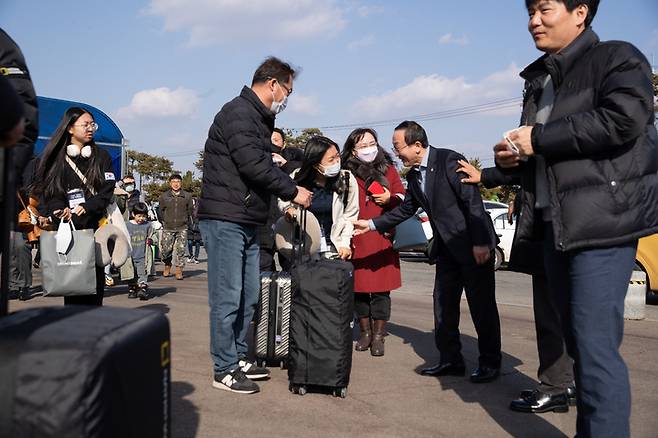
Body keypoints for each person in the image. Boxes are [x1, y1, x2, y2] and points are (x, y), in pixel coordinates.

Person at [493, 1, 658, 435]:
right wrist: (513, 160)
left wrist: (540, 138)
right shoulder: (540, 79)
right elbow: (547, 154)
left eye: (544, 9)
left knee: (594, 347)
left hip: (601, 226)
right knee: (579, 350)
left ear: (580, 11)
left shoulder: (618, 57)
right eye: (529, 11)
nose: (533, 20)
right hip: (553, 227)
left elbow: (626, 119)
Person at [353, 121, 502, 383]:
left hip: (472, 246)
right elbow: (406, 209)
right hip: (446, 250)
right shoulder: (413, 176)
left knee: (482, 308)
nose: (396, 152)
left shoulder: (449, 160)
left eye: (398, 146)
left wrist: (480, 241)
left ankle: (489, 363)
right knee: (443, 305)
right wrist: (372, 224)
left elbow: (472, 201)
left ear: (417, 146)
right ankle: (450, 360)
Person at [198, 56, 312, 394]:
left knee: (249, 295)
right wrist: (293, 191)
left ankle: (238, 356)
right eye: (287, 90)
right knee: (227, 296)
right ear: (273, 84)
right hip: (226, 218)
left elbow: (261, 161)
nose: (287, 97)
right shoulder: (238, 112)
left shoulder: (258, 120)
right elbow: (251, 165)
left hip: (248, 219)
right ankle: (224, 368)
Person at [457, 160, 575, 412]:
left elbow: (532, 162)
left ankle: (557, 387)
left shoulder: (558, 129)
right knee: (563, 315)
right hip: (564, 224)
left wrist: (488, 175)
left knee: (553, 316)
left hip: (566, 226)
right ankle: (566, 383)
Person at [32, 107, 115, 306]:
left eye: (92, 125)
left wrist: (87, 206)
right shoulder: (57, 159)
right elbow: (53, 192)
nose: (90, 129)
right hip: (68, 231)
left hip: (95, 230)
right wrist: (58, 209)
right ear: (70, 128)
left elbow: (107, 191)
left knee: (94, 286)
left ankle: (92, 329)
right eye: (85, 124)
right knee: (72, 287)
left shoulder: (101, 156)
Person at [341, 128, 405, 356]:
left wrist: (390, 198)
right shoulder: (345, 173)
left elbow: (403, 197)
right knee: (358, 291)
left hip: (382, 236)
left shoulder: (388, 169)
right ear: (353, 150)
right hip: (355, 237)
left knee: (381, 292)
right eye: (362, 145)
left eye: (371, 143)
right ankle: (364, 332)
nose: (368, 148)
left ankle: (378, 335)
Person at [280, 135, 359, 260]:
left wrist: (345, 243)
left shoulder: (347, 179)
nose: (336, 162)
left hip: (334, 249)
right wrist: (288, 209)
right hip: (304, 248)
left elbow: (350, 216)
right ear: (316, 164)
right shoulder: (296, 177)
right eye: (331, 159)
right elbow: (283, 199)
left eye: (337, 156)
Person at [258, 127, 305, 272]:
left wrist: (285, 166)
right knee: (263, 268)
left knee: (291, 268)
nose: (272, 143)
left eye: (276, 140)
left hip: (288, 223)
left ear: (283, 144)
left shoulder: (294, 158)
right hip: (264, 225)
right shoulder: (257, 161)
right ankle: (264, 294)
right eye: (269, 140)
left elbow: (302, 176)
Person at [158, 174, 193, 280]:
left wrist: (186, 221)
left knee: (181, 250)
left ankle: (179, 270)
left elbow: (190, 211)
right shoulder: (164, 196)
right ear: (170, 183)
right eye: (173, 181)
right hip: (168, 227)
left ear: (181, 183)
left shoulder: (187, 196)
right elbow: (160, 211)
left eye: (178, 181)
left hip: (182, 227)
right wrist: (164, 222)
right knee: (166, 250)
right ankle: (167, 264)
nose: (176, 184)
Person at [126, 202, 152, 300]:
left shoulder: (147, 225)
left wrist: (151, 240)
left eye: (143, 216)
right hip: (130, 255)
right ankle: (132, 289)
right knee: (131, 274)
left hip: (142, 255)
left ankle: (143, 290)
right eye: (139, 216)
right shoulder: (127, 225)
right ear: (133, 214)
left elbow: (152, 235)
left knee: (142, 273)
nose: (141, 218)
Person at [187, 197, 201, 264]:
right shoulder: (188, 210)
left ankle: (196, 257)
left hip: (198, 228)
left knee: (197, 243)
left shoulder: (200, 210)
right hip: (190, 228)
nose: (192, 203)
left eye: (193, 202)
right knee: (190, 242)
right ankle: (190, 255)